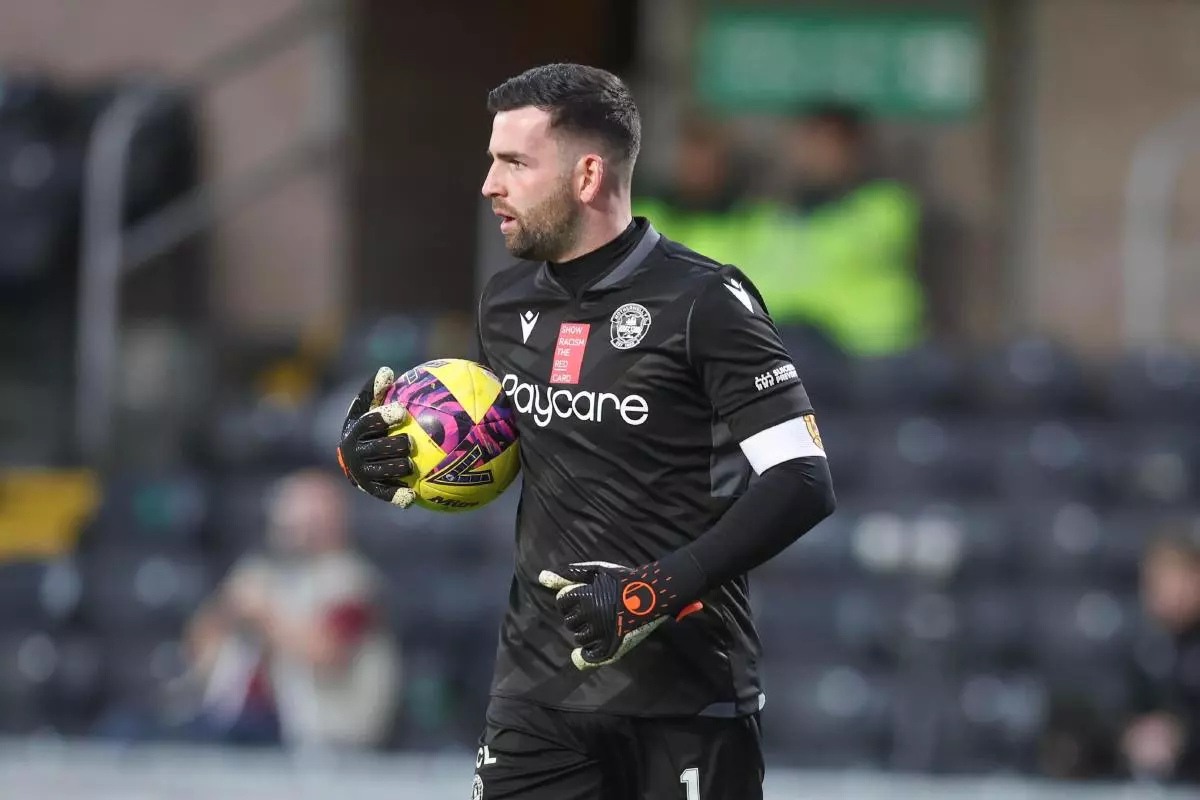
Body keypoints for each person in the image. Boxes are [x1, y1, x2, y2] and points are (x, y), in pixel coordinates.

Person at [337, 63, 836, 799]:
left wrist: (651, 591)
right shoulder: (503, 303)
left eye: (513, 162)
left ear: (587, 175)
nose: (488, 185)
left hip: (688, 697)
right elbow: (486, 440)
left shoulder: (705, 300)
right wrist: (380, 455)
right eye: (491, 160)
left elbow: (802, 481)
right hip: (538, 695)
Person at [186, 468, 401, 751]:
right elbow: (197, 645)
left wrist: (265, 616)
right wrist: (226, 612)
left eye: (306, 515)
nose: (292, 523)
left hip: (321, 729)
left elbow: (328, 654)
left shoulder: (351, 581)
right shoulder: (258, 570)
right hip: (239, 719)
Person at [742, 101, 931, 357]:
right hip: (786, 346)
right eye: (809, 143)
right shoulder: (770, 218)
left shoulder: (885, 206)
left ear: (853, 151)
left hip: (866, 354)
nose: (815, 154)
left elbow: (857, 247)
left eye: (828, 144)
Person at [1119, 529, 1200, 784]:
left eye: (1178, 577)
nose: (1168, 592)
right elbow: (1122, 706)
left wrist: (1182, 736)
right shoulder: (1142, 643)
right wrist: (1132, 734)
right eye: (1156, 582)